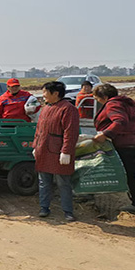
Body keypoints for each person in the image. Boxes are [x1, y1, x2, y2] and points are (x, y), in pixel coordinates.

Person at [92, 83, 135, 217]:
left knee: (127, 174)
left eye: (97, 98)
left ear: (104, 97)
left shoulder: (113, 104)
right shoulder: (129, 104)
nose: (98, 101)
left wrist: (105, 134)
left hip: (122, 143)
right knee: (129, 173)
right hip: (132, 143)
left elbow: (119, 121)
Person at [33, 81, 79, 222]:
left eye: (45, 92)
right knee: (43, 181)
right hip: (43, 149)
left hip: (58, 151)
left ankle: (68, 211)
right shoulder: (45, 108)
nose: (43, 95)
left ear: (56, 93)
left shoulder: (68, 109)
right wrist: (35, 146)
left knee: (63, 182)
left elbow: (70, 132)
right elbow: (39, 130)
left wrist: (66, 151)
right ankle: (44, 208)